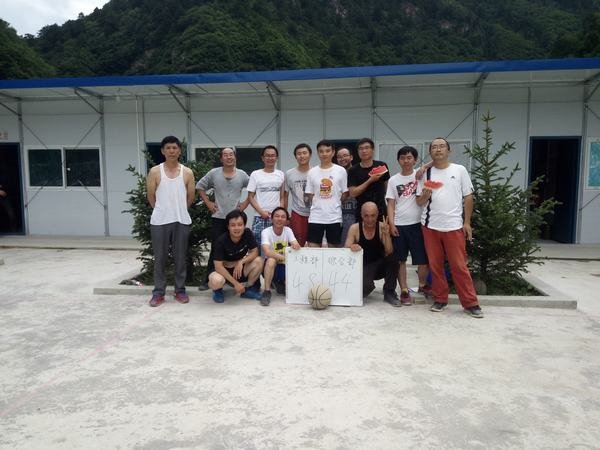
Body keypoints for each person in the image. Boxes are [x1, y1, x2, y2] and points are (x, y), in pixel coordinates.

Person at [416, 137, 484, 318]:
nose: (438, 149)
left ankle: (470, 303)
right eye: (434, 147)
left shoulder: (459, 170)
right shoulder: (424, 174)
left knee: (459, 266)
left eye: (442, 146)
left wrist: (467, 222)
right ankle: (440, 299)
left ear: (449, 150)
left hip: (454, 226)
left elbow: (468, 196)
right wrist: (424, 196)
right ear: (430, 152)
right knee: (435, 266)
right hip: (430, 226)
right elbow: (419, 202)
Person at [146, 135, 196, 307]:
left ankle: (180, 290)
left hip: (181, 220)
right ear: (162, 151)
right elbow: (150, 195)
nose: (171, 151)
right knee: (160, 258)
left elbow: (191, 196)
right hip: (160, 221)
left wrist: (179, 209)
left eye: (175, 148)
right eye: (168, 148)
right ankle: (158, 292)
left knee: (180, 258)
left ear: (180, 151)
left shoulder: (187, 172)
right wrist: (161, 210)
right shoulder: (155, 171)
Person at [196, 147, 250, 290]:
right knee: (216, 248)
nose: (228, 157)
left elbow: (253, 188)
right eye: (225, 155)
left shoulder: (242, 175)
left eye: (231, 154)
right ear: (221, 158)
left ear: (235, 157)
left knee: (236, 249)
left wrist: (246, 203)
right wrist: (208, 202)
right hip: (219, 217)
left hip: (236, 219)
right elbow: (200, 186)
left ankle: (233, 278)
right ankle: (209, 279)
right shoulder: (214, 173)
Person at [386, 146, 431, 305]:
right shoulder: (393, 180)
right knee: (401, 260)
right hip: (399, 224)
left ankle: (422, 285)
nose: (406, 161)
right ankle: (404, 290)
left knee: (422, 259)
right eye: (403, 158)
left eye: (409, 157)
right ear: (398, 160)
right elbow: (391, 203)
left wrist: (424, 167)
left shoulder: (420, 174)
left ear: (415, 160)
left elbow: (438, 160)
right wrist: (391, 223)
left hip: (418, 224)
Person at [345, 202, 400, 306]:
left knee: (394, 258)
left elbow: (389, 251)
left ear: (377, 215)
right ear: (361, 215)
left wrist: (386, 235)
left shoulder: (382, 227)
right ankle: (366, 284)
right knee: (364, 289)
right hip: (362, 268)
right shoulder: (354, 228)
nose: (370, 219)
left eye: (373, 216)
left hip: (378, 266)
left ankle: (389, 292)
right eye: (366, 216)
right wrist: (351, 247)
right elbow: (346, 249)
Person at [209, 210, 264, 303]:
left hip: (238, 269)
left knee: (259, 260)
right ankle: (218, 291)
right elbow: (218, 267)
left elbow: (255, 252)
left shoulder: (247, 233)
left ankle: (247, 290)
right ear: (228, 227)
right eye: (233, 225)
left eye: (240, 224)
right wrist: (236, 284)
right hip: (223, 271)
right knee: (216, 280)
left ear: (244, 225)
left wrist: (241, 261)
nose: (237, 228)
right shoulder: (221, 241)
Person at [304, 140, 348, 248]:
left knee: (333, 250)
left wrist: (335, 203)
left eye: (327, 151)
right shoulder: (312, 172)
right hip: (316, 217)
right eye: (321, 151)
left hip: (334, 217)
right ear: (318, 153)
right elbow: (309, 195)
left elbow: (345, 193)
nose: (324, 154)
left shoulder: (341, 171)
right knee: (313, 249)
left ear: (333, 152)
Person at [260, 207, 301, 306]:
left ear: (286, 220)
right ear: (272, 219)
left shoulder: (288, 230)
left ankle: (278, 283)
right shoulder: (266, 232)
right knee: (271, 260)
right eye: (277, 216)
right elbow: (267, 251)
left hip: (283, 265)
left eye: (283, 217)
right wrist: (284, 258)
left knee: (288, 290)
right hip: (269, 267)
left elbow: (295, 244)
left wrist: (295, 245)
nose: (280, 219)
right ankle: (267, 291)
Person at [247, 145, 285, 248]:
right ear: (263, 158)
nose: (270, 158)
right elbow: (250, 197)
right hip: (260, 217)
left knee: (276, 246)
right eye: (267, 156)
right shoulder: (255, 174)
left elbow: (282, 197)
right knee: (258, 246)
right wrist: (261, 212)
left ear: (276, 158)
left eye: (273, 155)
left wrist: (279, 213)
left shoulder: (281, 174)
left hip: (276, 218)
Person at [347, 138, 390, 221]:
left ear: (373, 150)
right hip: (362, 212)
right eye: (361, 148)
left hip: (381, 210)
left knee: (382, 229)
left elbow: (387, 189)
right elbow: (352, 193)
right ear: (358, 152)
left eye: (367, 148)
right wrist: (370, 181)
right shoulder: (353, 170)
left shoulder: (382, 165)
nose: (364, 151)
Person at [284, 143, 312, 246]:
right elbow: (285, 195)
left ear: (310, 155)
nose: (302, 156)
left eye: (304, 153)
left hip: (316, 213)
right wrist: (285, 215)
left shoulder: (316, 171)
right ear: (295, 156)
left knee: (315, 243)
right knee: (297, 243)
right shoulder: (289, 174)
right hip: (297, 213)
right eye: (299, 154)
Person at [335, 146, 357, 247]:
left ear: (351, 157)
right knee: (336, 246)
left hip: (353, 213)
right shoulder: (334, 174)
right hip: (336, 214)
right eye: (339, 157)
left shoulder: (358, 172)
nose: (342, 158)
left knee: (350, 247)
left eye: (345, 155)